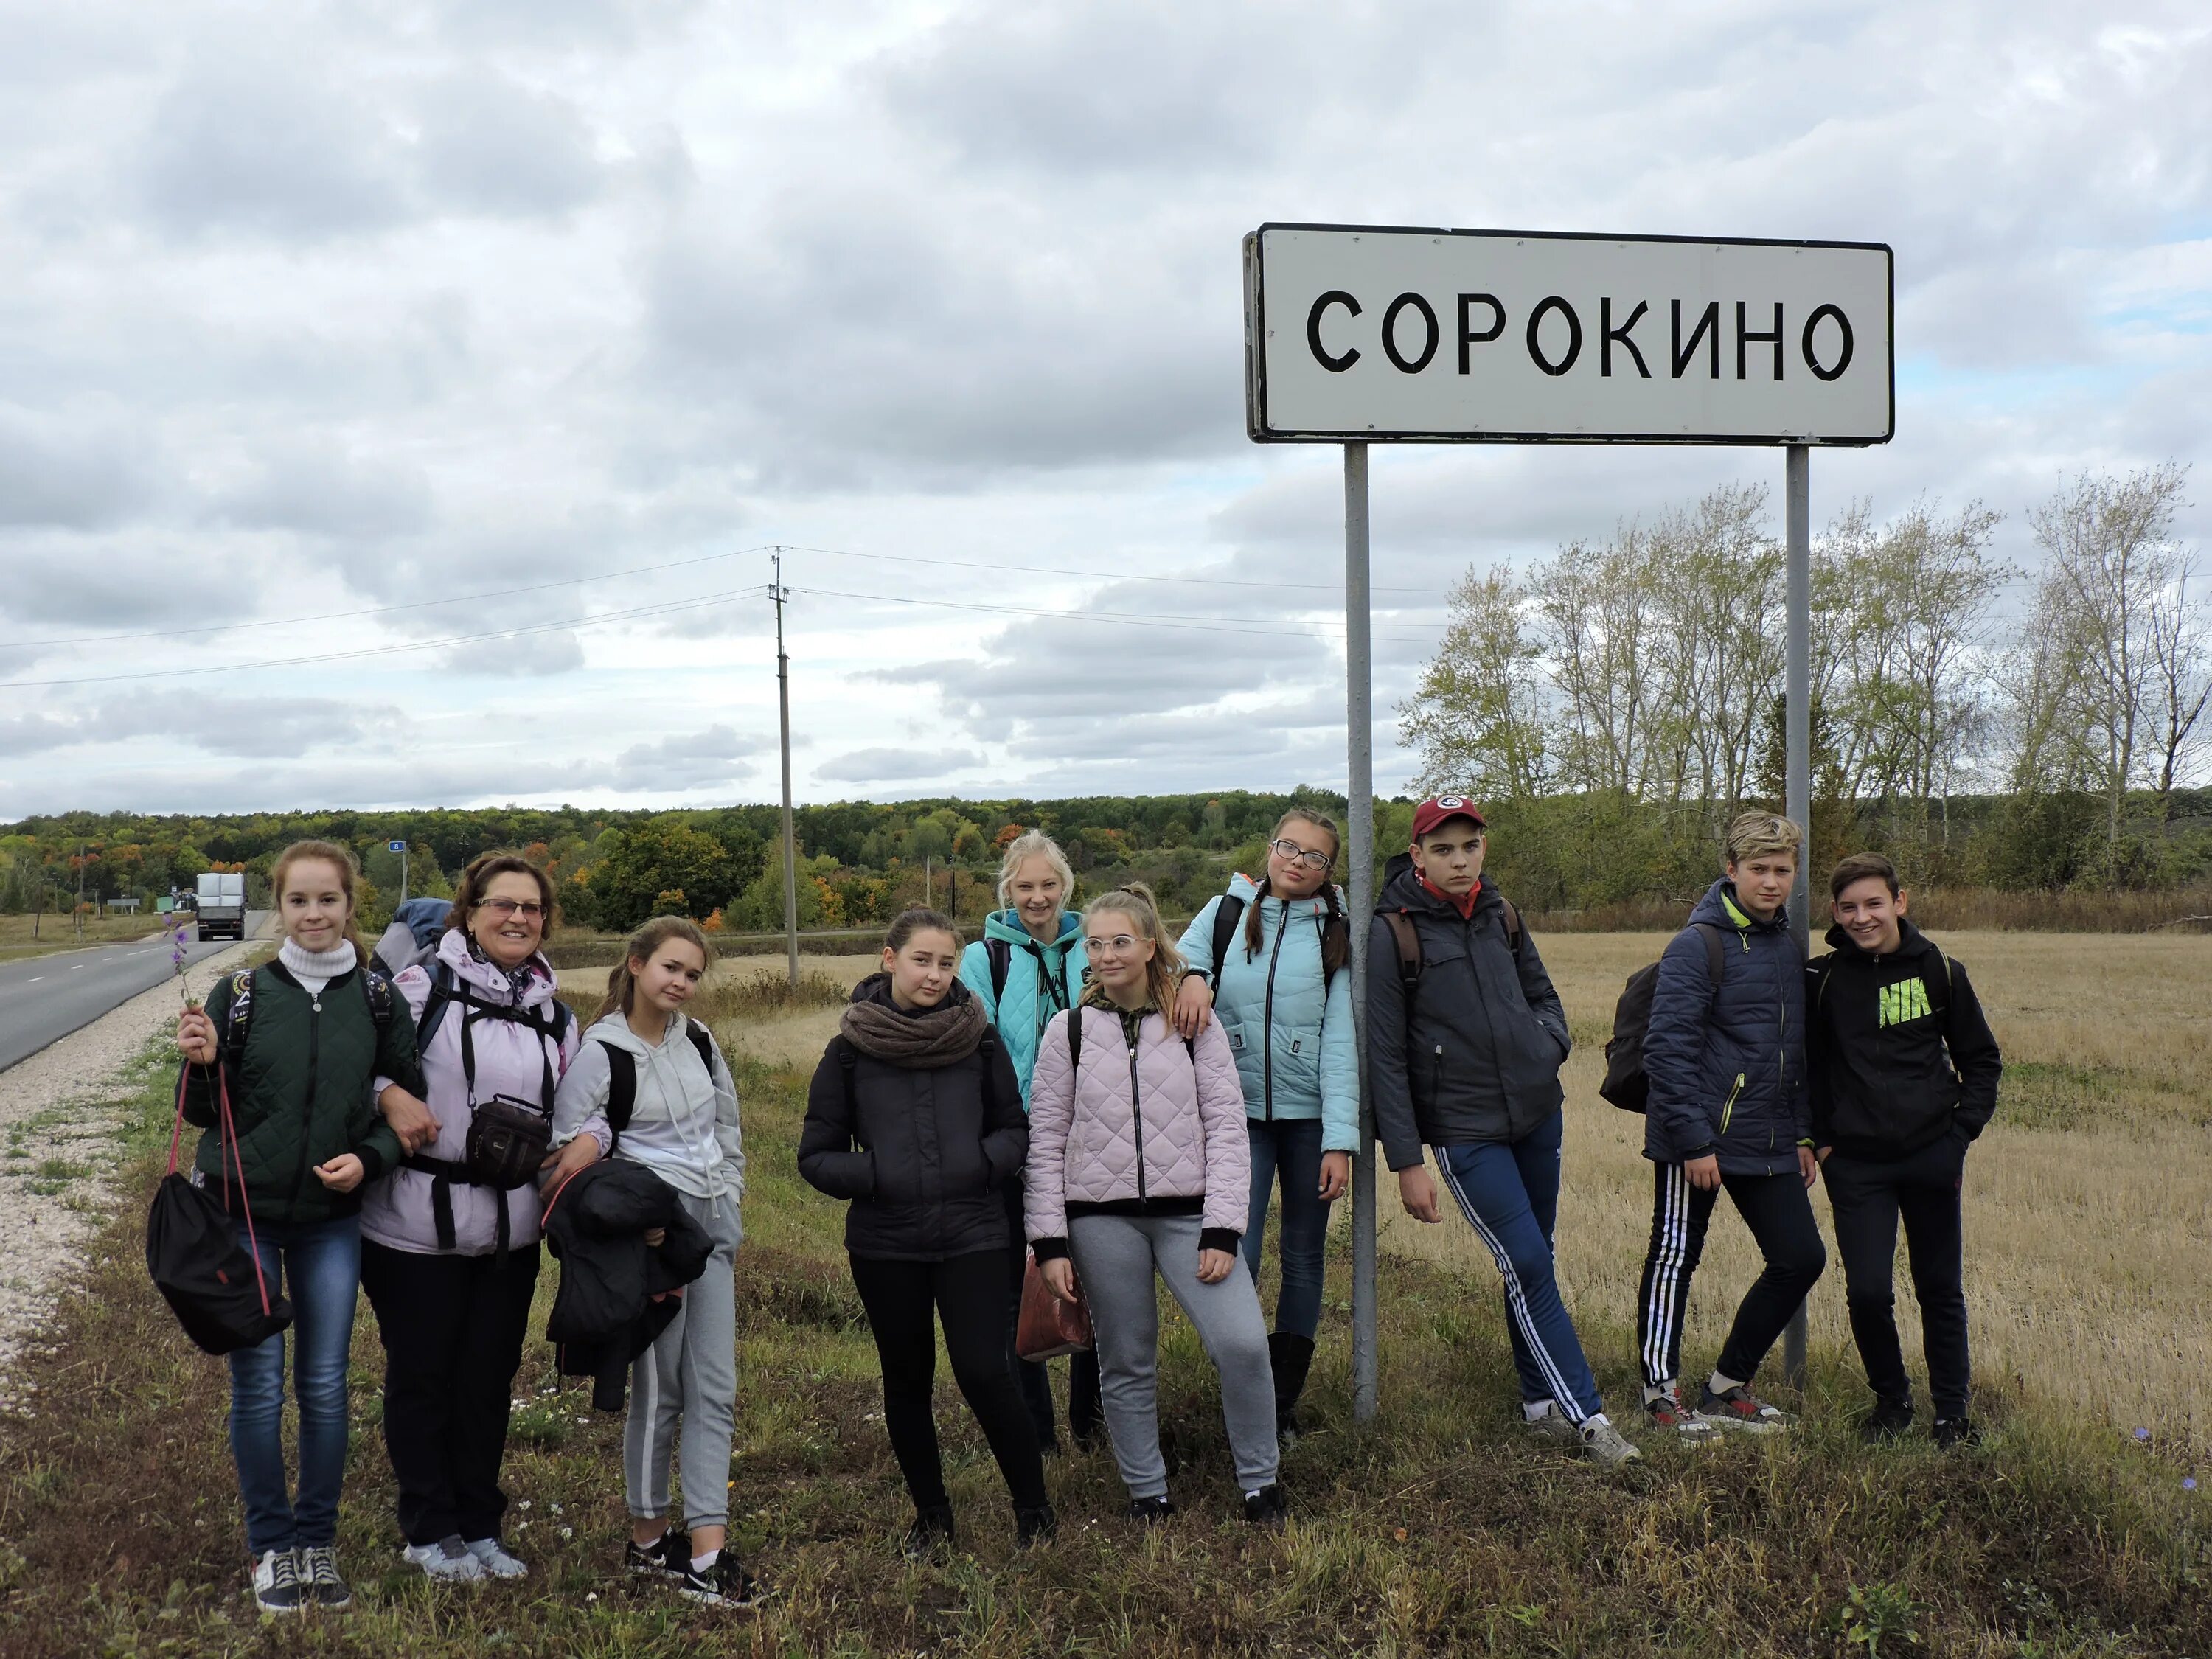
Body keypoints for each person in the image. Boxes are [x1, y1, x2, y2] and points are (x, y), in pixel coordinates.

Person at [173, 841, 422, 1614]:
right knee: (257, 1388)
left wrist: (369, 1160)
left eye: (329, 900)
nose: (314, 914)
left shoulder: (381, 999)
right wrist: (203, 1064)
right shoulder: (239, 993)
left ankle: (317, 1542)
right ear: (279, 908)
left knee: (322, 1386)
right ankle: (271, 1548)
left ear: (352, 905)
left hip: (329, 1224)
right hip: (242, 1218)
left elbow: (405, 1107)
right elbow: (199, 1114)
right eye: (298, 901)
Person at [1368, 798, 1641, 1467]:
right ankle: (1588, 1416)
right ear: (1418, 856)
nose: (1460, 861)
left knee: (1534, 1259)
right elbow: (1384, 1054)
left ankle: (1538, 1405)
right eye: (1443, 849)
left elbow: (1545, 996)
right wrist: (1407, 1161)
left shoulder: (1502, 913)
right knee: (1525, 1261)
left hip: (1536, 1112)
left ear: (1483, 848)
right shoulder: (1393, 932)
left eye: (1470, 846)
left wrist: (1542, 1046)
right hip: (1464, 1130)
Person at [1025, 884, 1285, 1526]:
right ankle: (1148, 1492)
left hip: (1191, 1216)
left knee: (1244, 1345)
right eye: (1095, 944)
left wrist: (1224, 1227)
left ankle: (1261, 1483)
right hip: (1099, 1218)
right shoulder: (1071, 1031)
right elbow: (1047, 1138)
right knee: (1127, 1358)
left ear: (1149, 947)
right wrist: (1049, 1243)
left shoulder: (1195, 1024)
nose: (1107, 955)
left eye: (1120, 942)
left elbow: (1227, 1126)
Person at [799, 908, 1054, 1553]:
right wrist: (881, 1174)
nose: (935, 975)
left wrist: (977, 1166)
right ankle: (932, 1517)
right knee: (906, 1379)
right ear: (890, 959)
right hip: (886, 1244)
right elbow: (816, 1154)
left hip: (975, 1234)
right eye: (922, 960)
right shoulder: (850, 1052)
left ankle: (1035, 1512)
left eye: (946, 963)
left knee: (985, 1373)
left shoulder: (981, 1041)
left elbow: (1015, 1131)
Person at [358, 852, 580, 1583]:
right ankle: (429, 1529)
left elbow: (582, 1108)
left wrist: (591, 1147)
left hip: (510, 1234)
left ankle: (480, 1525)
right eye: (502, 904)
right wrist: (391, 1097)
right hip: (412, 1228)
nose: (519, 918)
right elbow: (360, 1064)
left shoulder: (556, 1014)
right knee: (424, 1378)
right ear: (470, 911)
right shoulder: (422, 988)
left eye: (532, 908)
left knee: (487, 1381)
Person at [544, 917, 755, 1609]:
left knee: (715, 1389)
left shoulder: (699, 1040)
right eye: (670, 968)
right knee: (661, 1393)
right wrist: (644, 1224)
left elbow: (726, 1125)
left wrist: (729, 1192)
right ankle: (646, 1538)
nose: (681, 983)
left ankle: (707, 1551)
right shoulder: (602, 1052)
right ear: (636, 965)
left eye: (693, 974)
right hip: (654, 1245)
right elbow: (569, 1159)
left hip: (712, 1232)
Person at [1636, 811, 1826, 1436]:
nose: (1771, 882)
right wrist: (1693, 1141)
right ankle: (1660, 1392)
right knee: (1675, 1258)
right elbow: (1666, 1051)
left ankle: (1726, 1384)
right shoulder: (1698, 944)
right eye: (1759, 870)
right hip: (1696, 1138)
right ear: (1731, 870)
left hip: (1767, 1135)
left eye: (1783, 870)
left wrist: (1801, 1132)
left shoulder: (1786, 942)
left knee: (1800, 1257)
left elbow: (1790, 1049)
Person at [1172, 809, 1356, 1445]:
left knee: (1304, 1258)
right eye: (1288, 847)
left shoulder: (1338, 932)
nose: (1297, 861)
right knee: (1233, 1256)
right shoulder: (1225, 913)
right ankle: (1242, 1390)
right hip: (1234, 1118)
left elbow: (1341, 1042)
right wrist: (1195, 976)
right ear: (1270, 847)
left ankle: (1281, 1406)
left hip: (1308, 1124)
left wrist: (1340, 1139)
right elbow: (1179, 962)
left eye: (1314, 856)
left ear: (1330, 870)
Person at [1810, 852, 2002, 1447]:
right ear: (1836, 914)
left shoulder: (1940, 970)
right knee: (1868, 1291)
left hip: (1931, 1156)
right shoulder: (1822, 981)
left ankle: (1952, 1413)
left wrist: (1958, 1138)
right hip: (1856, 1165)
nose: (1862, 917)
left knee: (1939, 1288)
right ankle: (1892, 1402)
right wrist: (1821, 1142)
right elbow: (1810, 1072)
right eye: (1849, 908)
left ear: (1900, 902)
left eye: (1873, 903)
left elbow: (1982, 1061)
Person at [956, 832, 1100, 1454]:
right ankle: (1037, 1434)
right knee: (1025, 1283)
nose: (1038, 898)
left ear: (1065, 887)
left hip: (1096, 1138)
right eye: (1025, 887)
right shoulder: (984, 959)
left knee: (1098, 1279)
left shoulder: (1096, 946)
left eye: (1048, 885)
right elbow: (975, 1051)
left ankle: (1093, 1424)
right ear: (1007, 891)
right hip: (1017, 1141)